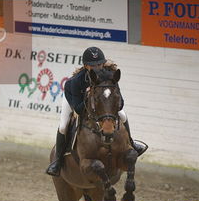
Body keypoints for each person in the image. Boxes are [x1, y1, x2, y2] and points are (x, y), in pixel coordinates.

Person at [46, 47, 147, 176]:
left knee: (123, 115)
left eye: (100, 64)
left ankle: (131, 143)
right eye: (94, 65)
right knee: (63, 126)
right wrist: (88, 96)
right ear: (86, 66)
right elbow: (78, 108)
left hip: (102, 105)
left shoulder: (109, 76)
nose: (98, 67)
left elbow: (120, 103)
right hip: (75, 102)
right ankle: (58, 161)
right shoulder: (74, 82)